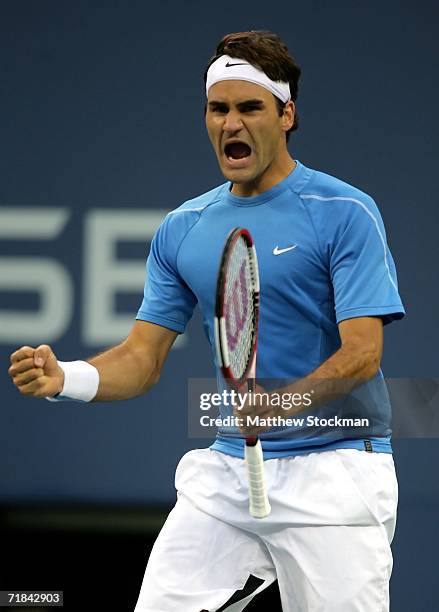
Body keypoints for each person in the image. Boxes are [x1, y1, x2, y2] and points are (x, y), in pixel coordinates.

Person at [8, 30, 405, 612]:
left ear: (286, 114)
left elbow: (363, 353)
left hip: (337, 471)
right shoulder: (183, 227)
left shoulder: (344, 212)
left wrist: (277, 406)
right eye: (218, 109)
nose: (231, 124)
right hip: (226, 472)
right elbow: (141, 359)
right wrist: (65, 378)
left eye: (250, 108)